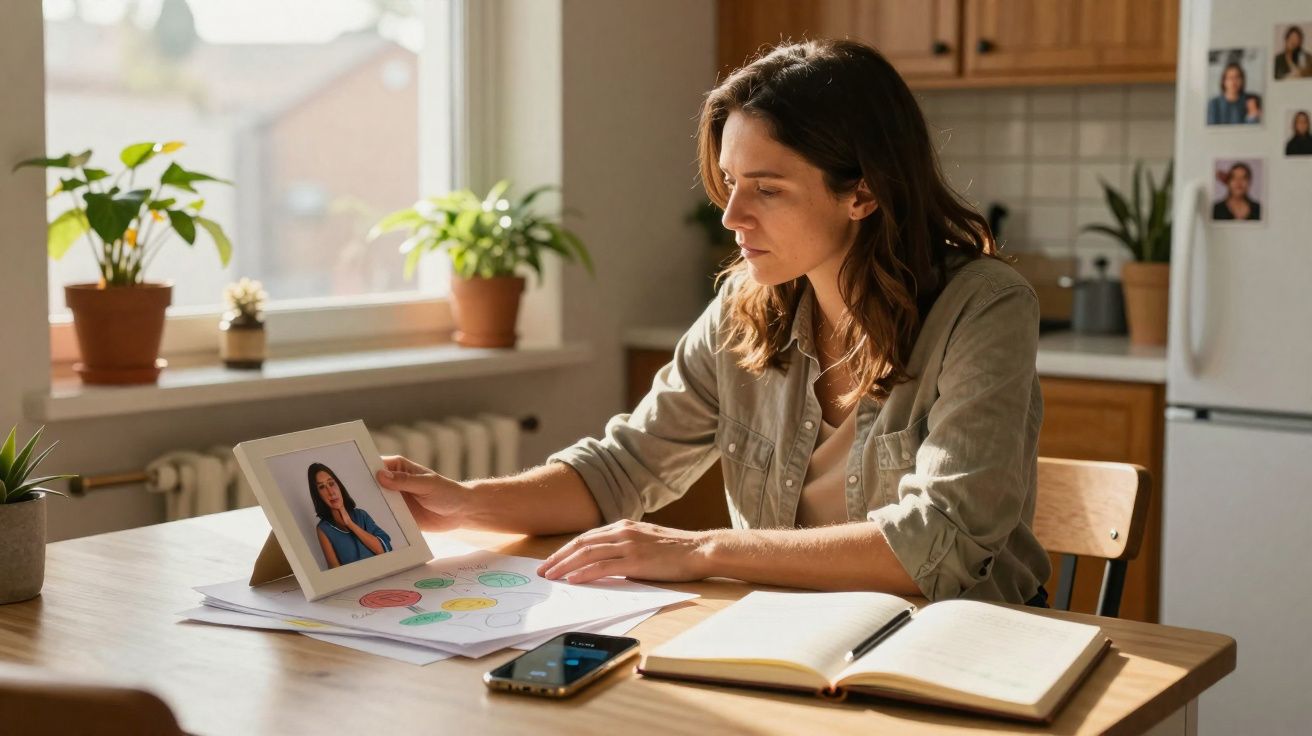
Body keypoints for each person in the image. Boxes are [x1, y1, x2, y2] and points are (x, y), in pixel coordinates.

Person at [377, 39, 1052, 606]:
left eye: (767, 188)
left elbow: (941, 542)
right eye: (730, 182)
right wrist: (465, 502)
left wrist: (701, 549)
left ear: (863, 192)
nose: (732, 216)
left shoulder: (983, 307)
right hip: (781, 639)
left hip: (951, 653)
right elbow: (622, 469)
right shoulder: (744, 308)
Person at [309, 462, 392, 568]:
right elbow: (336, 572)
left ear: (339, 486)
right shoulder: (323, 529)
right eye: (322, 487)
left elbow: (384, 550)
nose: (330, 492)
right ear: (318, 495)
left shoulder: (361, 515)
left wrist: (350, 523)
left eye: (331, 483)